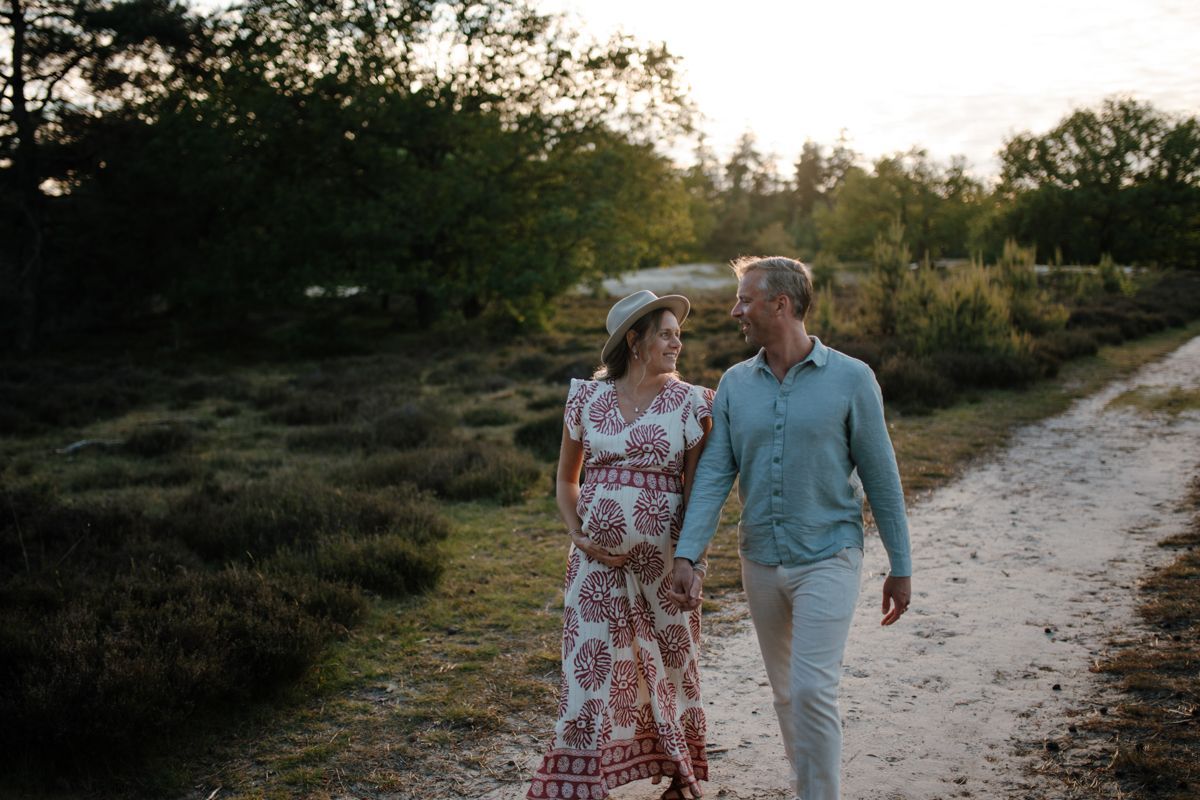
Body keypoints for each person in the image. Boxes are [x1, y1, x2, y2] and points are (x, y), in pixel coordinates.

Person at [668, 256, 913, 800]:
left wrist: (901, 566)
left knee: (810, 689)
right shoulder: (735, 384)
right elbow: (712, 475)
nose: (736, 311)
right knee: (784, 693)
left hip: (829, 553)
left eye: (745, 300)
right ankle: (809, 783)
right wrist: (687, 555)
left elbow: (882, 477)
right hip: (760, 559)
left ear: (781, 304)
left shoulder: (852, 379)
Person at [528, 290, 715, 800]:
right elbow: (567, 481)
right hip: (593, 566)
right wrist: (578, 533)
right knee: (587, 668)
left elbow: (700, 494)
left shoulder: (693, 402)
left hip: (664, 565)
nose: (678, 342)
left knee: (673, 665)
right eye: (667, 333)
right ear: (635, 340)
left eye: (679, 334)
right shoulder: (585, 398)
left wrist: (693, 563)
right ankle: (583, 782)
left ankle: (681, 776)